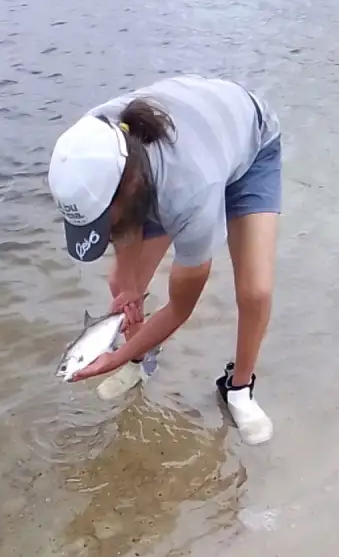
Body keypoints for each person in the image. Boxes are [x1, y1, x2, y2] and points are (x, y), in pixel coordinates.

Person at [47, 74, 281, 445]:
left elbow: (180, 307)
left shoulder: (190, 193)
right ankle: (141, 362)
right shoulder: (90, 143)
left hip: (250, 146)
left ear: (129, 192)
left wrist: (115, 356)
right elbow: (122, 233)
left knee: (255, 291)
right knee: (123, 285)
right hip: (171, 157)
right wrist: (128, 290)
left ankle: (238, 388)